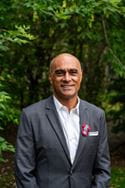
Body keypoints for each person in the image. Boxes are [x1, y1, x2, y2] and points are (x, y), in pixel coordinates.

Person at [15, 53, 111, 188]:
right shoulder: (31, 116)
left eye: (73, 72)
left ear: (81, 76)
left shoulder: (97, 115)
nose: (67, 78)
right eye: (60, 73)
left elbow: (103, 170)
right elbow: (23, 171)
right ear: (50, 77)